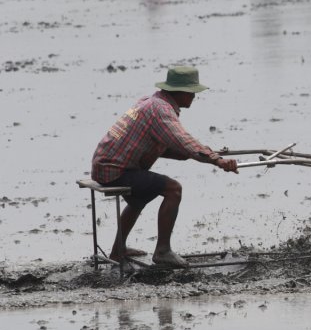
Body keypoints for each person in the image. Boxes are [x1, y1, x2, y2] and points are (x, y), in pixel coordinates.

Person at [91, 66, 238, 268]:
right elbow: (183, 140)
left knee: (139, 199)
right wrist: (216, 160)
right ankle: (162, 251)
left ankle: (118, 251)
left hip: (107, 165)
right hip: (115, 170)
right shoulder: (161, 111)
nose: (194, 97)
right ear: (180, 92)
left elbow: (165, 146)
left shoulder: (150, 102)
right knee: (173, 189)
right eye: (192, 92)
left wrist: (195, 154)